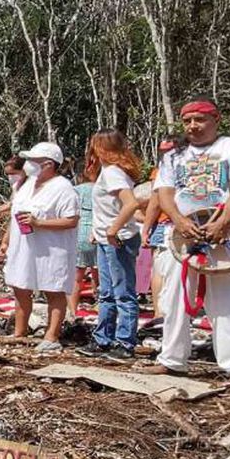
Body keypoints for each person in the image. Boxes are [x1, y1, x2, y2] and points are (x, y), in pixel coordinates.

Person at [148, 98, 230, 381]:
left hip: (224, 231)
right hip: (183, 234)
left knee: (228, 297)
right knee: (174, 295)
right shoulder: (173, 155)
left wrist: (222, 222)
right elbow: (164, 193)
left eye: (200, 120)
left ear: (215, 119)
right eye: (188, 121)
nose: (193, 126)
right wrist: (179, 220)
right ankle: (172, 358)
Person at [0, 142, 79, 352]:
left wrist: (39, 223)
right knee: (20, 287)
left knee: (53, 289)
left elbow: (71, 220)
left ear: (48, 164)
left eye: (33, 161)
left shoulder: (63, 188)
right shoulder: (26, 185)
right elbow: (15, 213)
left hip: (51, 249)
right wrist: (6, 239)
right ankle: (20, 332)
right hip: (23, 246)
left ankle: (52, 336)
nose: (28, 164)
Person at [78, 129, 143, 360]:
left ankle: (125, 342)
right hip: (106, 238)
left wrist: (113, 229)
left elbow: (130, 204)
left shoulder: (114, 173)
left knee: (123, 292)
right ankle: (103, 338)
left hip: (119, 239)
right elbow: (107, 207)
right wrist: (99, 231)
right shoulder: (106, 172)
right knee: (106, 292)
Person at [140, 139, 180, 320]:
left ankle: (165, 310)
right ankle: (159, 311)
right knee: (161, 269)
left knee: (166, 270)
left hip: (181, 225)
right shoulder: (160, 172)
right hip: (166, 226)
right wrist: (146, 228)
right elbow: (155, 202)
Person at [69, 168, 98, 319]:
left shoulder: (75, 190)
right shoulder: (102, 189)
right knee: (98, 273)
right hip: (98, 232)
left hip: (79, 232)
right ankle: (99, 304)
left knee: (76, 277)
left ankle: (72, 311)